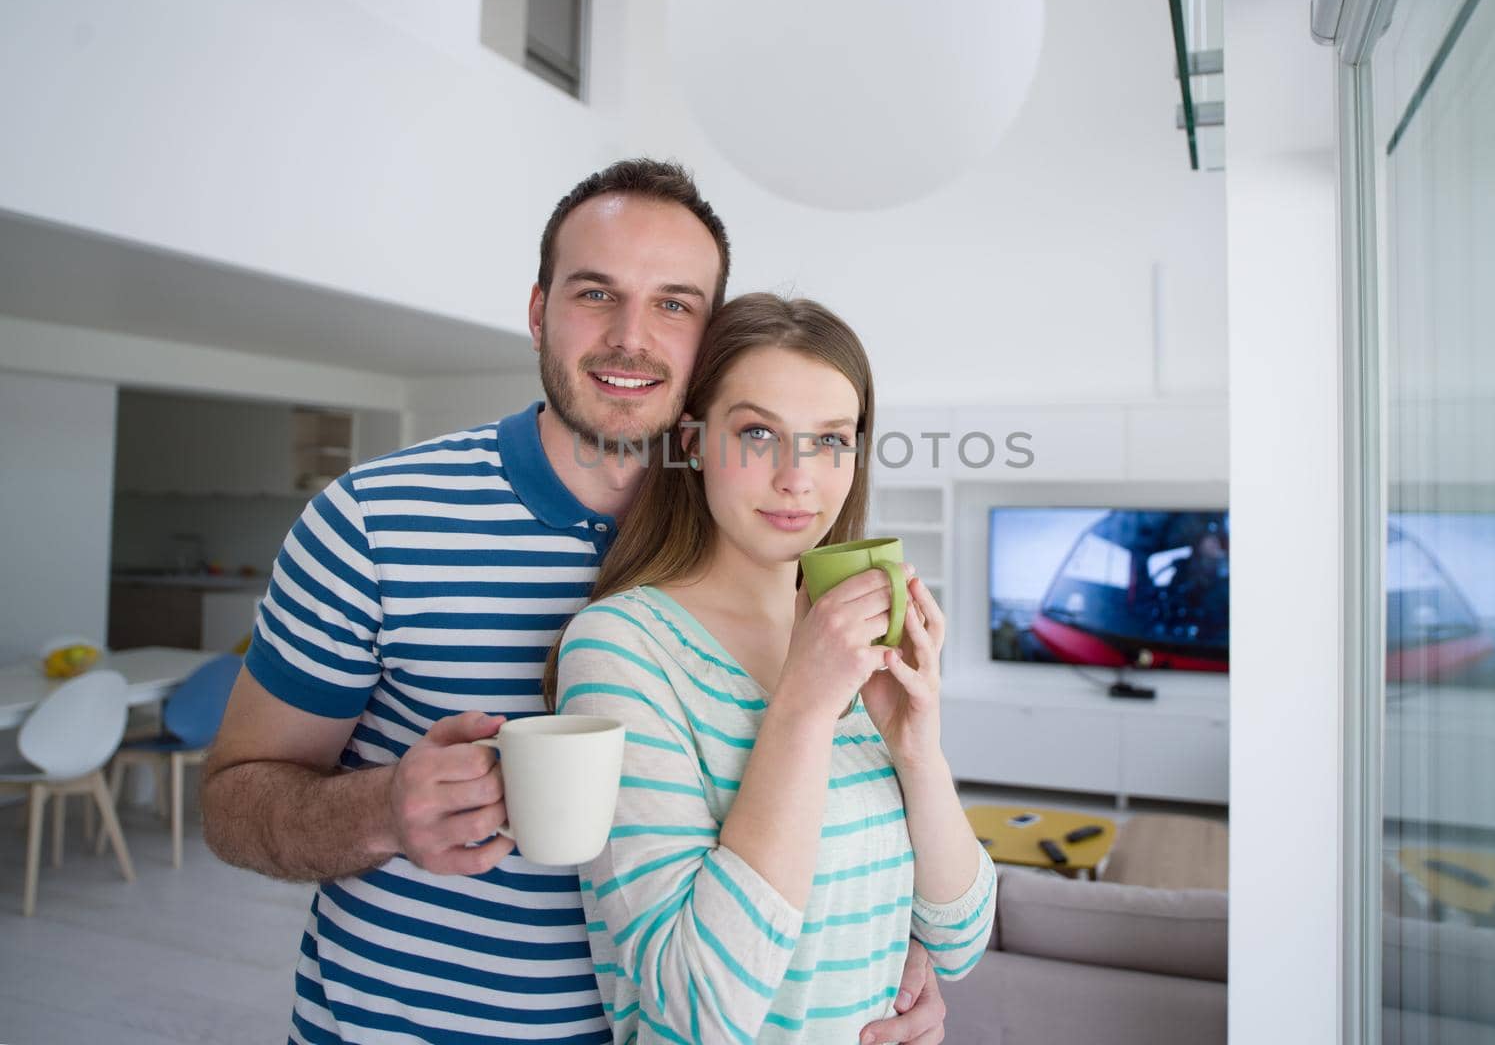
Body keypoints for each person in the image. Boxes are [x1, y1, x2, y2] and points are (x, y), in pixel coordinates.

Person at [200, 159, 950, 1045]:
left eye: (674, 303)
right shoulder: (373, 520)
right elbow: (232, 800)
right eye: (596, 293)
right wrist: (381, 810)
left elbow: (827, 812)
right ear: (537, 313)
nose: (632, 337)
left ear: (710, 345)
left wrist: (888, 957)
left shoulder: (771, 546)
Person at [548, 293, 995, 1043]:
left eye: (831, 441)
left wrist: (916, 748)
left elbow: (960, 939)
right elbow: (696, 1002)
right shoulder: (621, 647)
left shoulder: (848, 643)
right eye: (757, 433)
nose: (798, 478)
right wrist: (802, 710)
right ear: (692, 442)